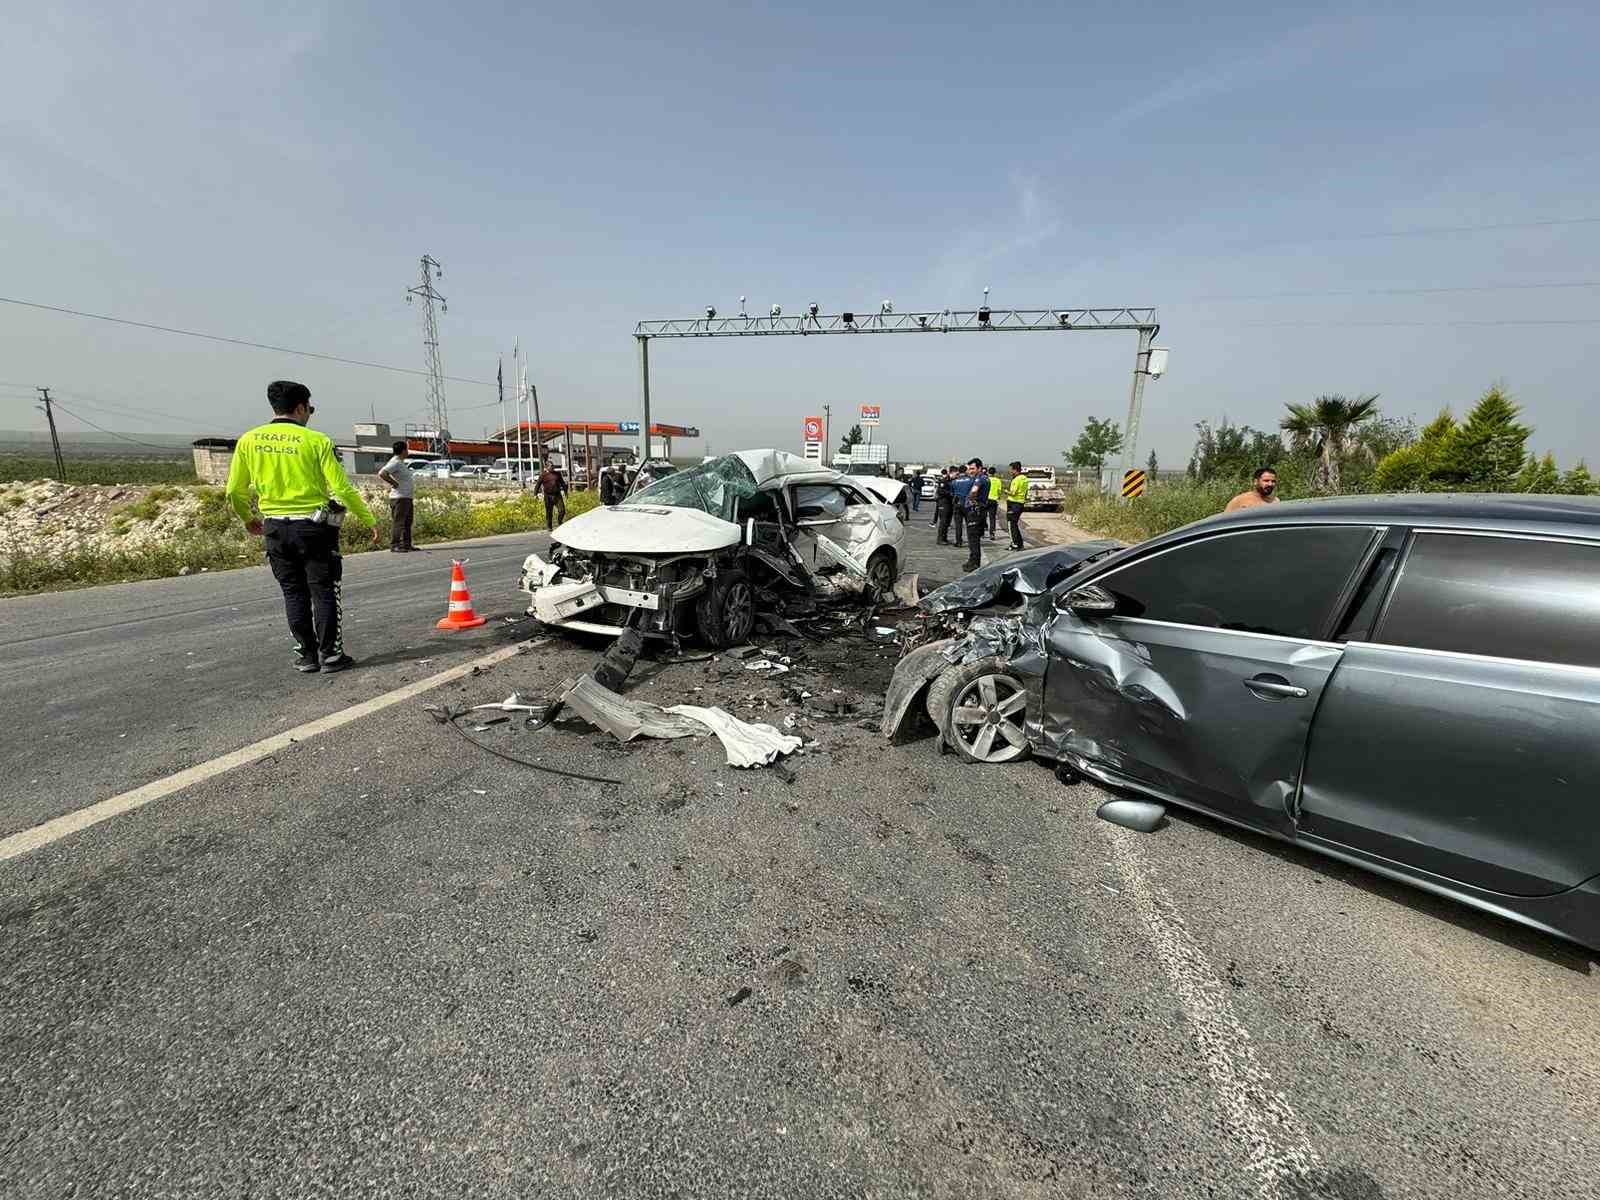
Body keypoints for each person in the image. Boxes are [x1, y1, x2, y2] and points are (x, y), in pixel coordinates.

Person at [225, 380, 378, 674]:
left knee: (293, 593)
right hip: (313, 528)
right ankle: (330, 655)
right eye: (310, 408)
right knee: (323, 591)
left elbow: (234, 490)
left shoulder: (249, 440)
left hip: (274, 529)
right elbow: (342, 489)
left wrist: (248, 518)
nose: (310, 414)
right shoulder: (317, 441)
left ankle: (306, 656)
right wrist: (368, 519)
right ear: (300, 407)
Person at [377, 439, 415, 552]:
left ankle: (406, 544)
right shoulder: (395, 462)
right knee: (399, 522)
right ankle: (395, 545)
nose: (408, 451)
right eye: (407, 449)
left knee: (407, 522)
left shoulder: (400, 462)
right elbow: (382, 473)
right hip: (399, 497)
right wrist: (394, 483)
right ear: (403, 451)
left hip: (406, 497)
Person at [962, 459, 990, 571]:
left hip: (975, 511)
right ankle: (972, 560)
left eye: (973, 468)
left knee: (973, 538)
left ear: (979, 468)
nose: (970, 471)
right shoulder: (985, 478)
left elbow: (974, 491)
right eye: (969, 468)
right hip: (979, 511)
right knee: (974, 538)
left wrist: (971, 499)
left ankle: (974, 563)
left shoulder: (980, 478)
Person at [1005, 460, 1029, 550]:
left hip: (1013, 503)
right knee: (1014, 524)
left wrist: (1006, 491)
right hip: (1020, 503)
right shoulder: (1025, 479)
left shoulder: (1016, 479)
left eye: (1011, 470)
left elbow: (1013, 492)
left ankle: (1014, 544)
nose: (1010, 471)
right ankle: (1019, 544)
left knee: (1011, 525)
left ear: (1015, 470)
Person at [949, 465, 974, 547]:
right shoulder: (971, 480)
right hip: (968, 504)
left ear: (959, 472)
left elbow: (952, 494)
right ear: (966, 471)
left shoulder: (954, 482)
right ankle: (971, 542)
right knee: (969, 524)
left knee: (958, 525)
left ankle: (959, 542)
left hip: (957, 504)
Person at [538, 460, 567, 530]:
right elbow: (538, 484)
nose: (553, 467)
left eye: (553, 466)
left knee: (562, 510)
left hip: (557, 495)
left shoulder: (557, 474)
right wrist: (535, 494)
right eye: (551, 466)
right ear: (547, 467)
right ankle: (549, 526)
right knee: (549, 512)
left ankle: (560, 521)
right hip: (548, 496)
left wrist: (566, 491)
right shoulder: (543, 475)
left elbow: (562, 483)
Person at [934, 467, 955, 542]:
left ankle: (944, 538)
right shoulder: (944, 480)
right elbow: (940, 491)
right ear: (952, 473)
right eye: (956, 474)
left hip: (949, 504)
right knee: (943, 521)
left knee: (947, 522)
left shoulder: (951, 481)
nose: (956, 475)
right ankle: (940, 539)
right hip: (943, 503)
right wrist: (950, 493)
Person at [986, 469, 1003, 539]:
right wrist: (998, 497)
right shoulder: (998, 480)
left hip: (985, 500)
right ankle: (992, 533)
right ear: (995, 473)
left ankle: (980, 532)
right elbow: (999, 491)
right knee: (992, 518)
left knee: (982, 516)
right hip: (993, 500)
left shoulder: (986, 479)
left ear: (988, 473)